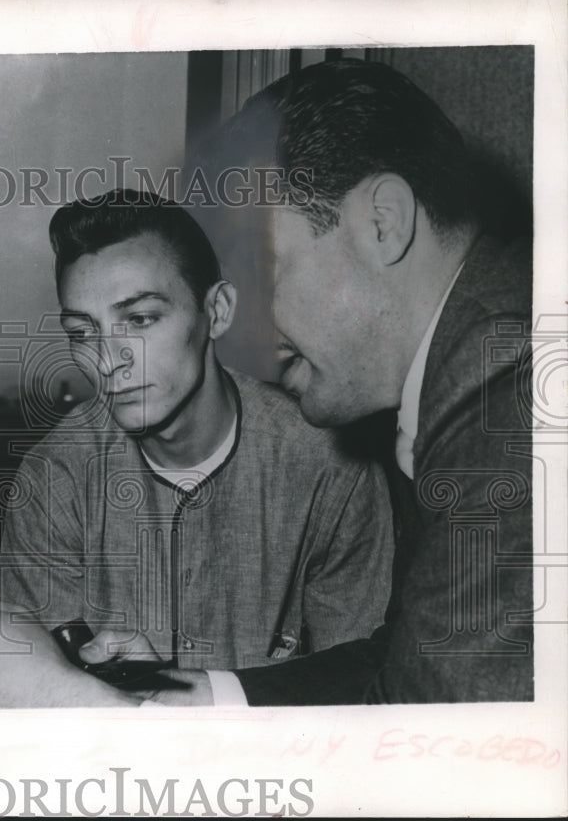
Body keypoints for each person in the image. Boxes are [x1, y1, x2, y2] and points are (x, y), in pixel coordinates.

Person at [0, 188, 396, 708]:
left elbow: (364, 699)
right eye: (83, 332)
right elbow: (30, 718)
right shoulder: (52, 478)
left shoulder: (331, 464)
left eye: (141, 319)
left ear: (216, 311)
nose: (108, 360)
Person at [184, 57, 533, 704]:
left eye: (262, 271)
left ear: (383, 223)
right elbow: (401, 664)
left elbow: (427, 758)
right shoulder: (453, 384)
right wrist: (192, 699)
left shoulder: (512, 406)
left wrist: (72, 712)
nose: (241, 333)